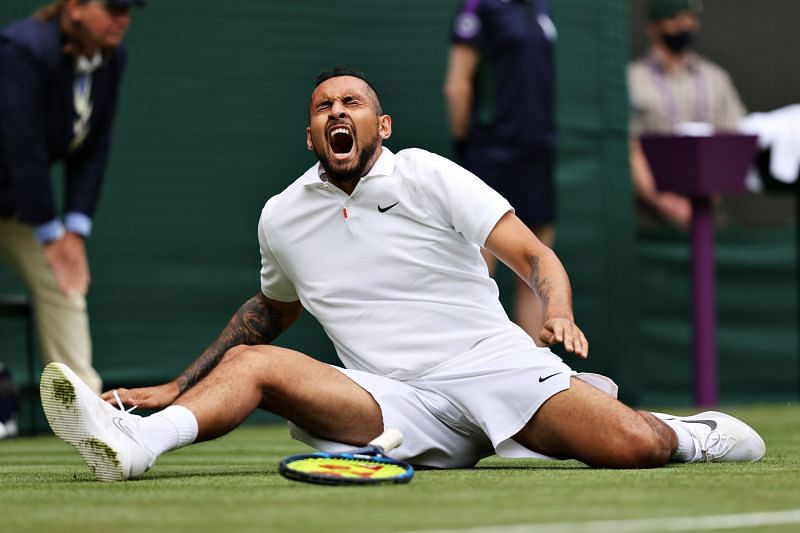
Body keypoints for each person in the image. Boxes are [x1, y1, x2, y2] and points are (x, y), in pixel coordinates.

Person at [39, 66, 764, 482]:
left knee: (632, 447)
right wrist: (175, 386)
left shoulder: (427, 175)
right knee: (254, 361)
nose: (336, 111)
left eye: (352, 102)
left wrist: (558, 310)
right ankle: (138, 439)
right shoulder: (282, 216)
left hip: (492, 366)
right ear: (311, 134)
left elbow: (534, 256)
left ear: (381, 126)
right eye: (323, 106)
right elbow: (269, 312)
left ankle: (685, 431)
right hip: (392, 401)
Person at [0, 0, 144, 393]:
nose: (123, 18)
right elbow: (21, 143)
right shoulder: (23, 50)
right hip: (21, 191)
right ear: (75, 7)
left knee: (64, 284)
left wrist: (74, 231)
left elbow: (94, 148)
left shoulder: (112, 59)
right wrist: (51, 234)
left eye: (129, 10)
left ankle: (84, 407)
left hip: (15, 201)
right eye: (113, 7)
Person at [444, 0, 557, 340]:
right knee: (480, 272)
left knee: (535, 272)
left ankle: (541, 379)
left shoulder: (540, 7)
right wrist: (468, 147)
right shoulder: (478, 10)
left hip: (537, 154)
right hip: (490, 153)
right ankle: (475, 372)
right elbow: (456, 86)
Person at [628, 0, 746, 227]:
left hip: (710, 215)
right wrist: (667, 203)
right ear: (654, 27)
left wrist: (709, 196)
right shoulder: (633, 80)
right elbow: (628, 149)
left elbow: (735, 141)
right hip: (649, 220)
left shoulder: (715, 78)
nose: (685, 25)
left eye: (690, 19)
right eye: (676, 19)